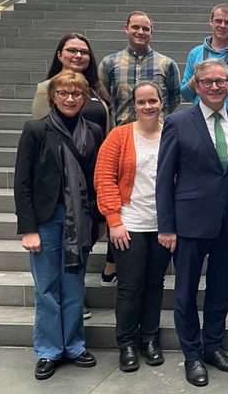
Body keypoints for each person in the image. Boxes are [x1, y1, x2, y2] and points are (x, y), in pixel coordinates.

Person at [156, 59, 228, 387]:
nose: (216, 86)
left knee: (220, 288)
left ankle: (213, 346)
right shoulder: (178, 122)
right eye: (208, 82)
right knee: (185, 291)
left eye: (221, 81)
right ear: (196, 86)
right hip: (189, 222)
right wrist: (166, 226)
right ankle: (192, 354)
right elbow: (163, 178)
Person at [15, 70, 105, 380]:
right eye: (64, 93)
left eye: (77, 94)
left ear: (84, 98)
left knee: (74, 286)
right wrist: (28, 228)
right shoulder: (36, 130)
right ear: (53, 96)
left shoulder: (93, 131)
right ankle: (48, 350)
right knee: (47, 288)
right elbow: (22, 182)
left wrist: (100, 218)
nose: (70, 98)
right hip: (47, 219)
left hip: (80, 219)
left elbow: (96, 179)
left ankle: (75, 346)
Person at [93, 82, 169, 373]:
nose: (148, 106)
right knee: (128, 286)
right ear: (134, 105)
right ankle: (126, 343)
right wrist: (114, 221)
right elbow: (104, 179)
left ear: (161, 102)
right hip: (129, 225)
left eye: (153, 100)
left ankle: (149, 338)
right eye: (142, 102)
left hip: (162, 226)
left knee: (155, 284)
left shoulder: (171, 135)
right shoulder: (119, 136)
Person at [32, 33, 113, 291]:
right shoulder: (46, 89)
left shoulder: (97, 89)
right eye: (72, 50)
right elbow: (42, 139)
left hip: (91, 173)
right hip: (61, 182)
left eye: (84, 52)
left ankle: (74, 299)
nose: (78, 55)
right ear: (60, 55)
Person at [99, 11, 180, 126]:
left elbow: (174, 100)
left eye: (145, 29)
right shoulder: (109, 63)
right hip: (122, 133)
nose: (140, 32)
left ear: (151, 32)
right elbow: (102, 99)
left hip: (157, 135)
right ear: (126, 28)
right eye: (135, 27)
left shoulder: (167, 64)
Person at [181, 3, 228, 114]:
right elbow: (185, 95)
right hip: (200, 117)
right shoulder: (195, 53)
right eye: (218, 21)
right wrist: (199, 77)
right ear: (211, 21)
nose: (222, 25)